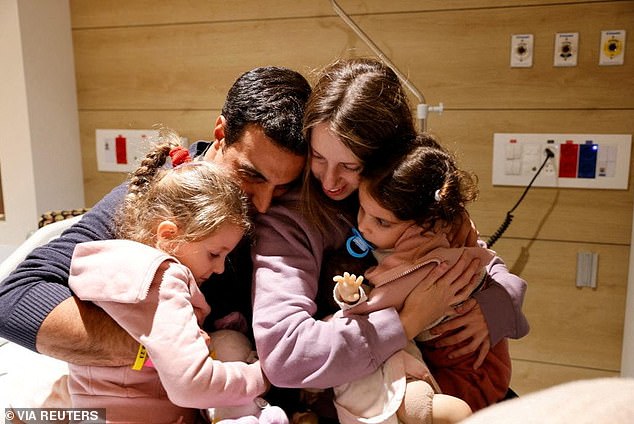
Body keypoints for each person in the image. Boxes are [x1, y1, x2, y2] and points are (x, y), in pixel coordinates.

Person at [250, 58, 529, 420]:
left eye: (351, 166)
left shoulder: (414, 198)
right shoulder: (290, 222)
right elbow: (285, 355)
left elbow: (481, 260)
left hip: (466, 379)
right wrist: (409, 320)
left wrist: (492, 308)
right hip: (374, 399)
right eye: (318, 158)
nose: (330, 181)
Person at [0, 66, 310, 365]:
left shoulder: (305, 199)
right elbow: (15, 298)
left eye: (283, 187)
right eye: (250, 175)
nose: (265, 204)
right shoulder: (159, 196)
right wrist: (160, 351)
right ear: (221, 133)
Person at [67, 129, 286, 423]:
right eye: (214, 254)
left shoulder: (112, 265)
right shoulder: (163, 279)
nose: (220, 268)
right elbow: (191, 384)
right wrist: (260, 375)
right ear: (169, 235)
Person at [330, 135, 517, 424]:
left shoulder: (422, 259)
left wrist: (350, 299)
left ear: (426, 224)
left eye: (382, 222)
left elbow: (372, 309)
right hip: (475, 362)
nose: (364, 226)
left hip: (469, 370)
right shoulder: (444, 220)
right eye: (362, 208)